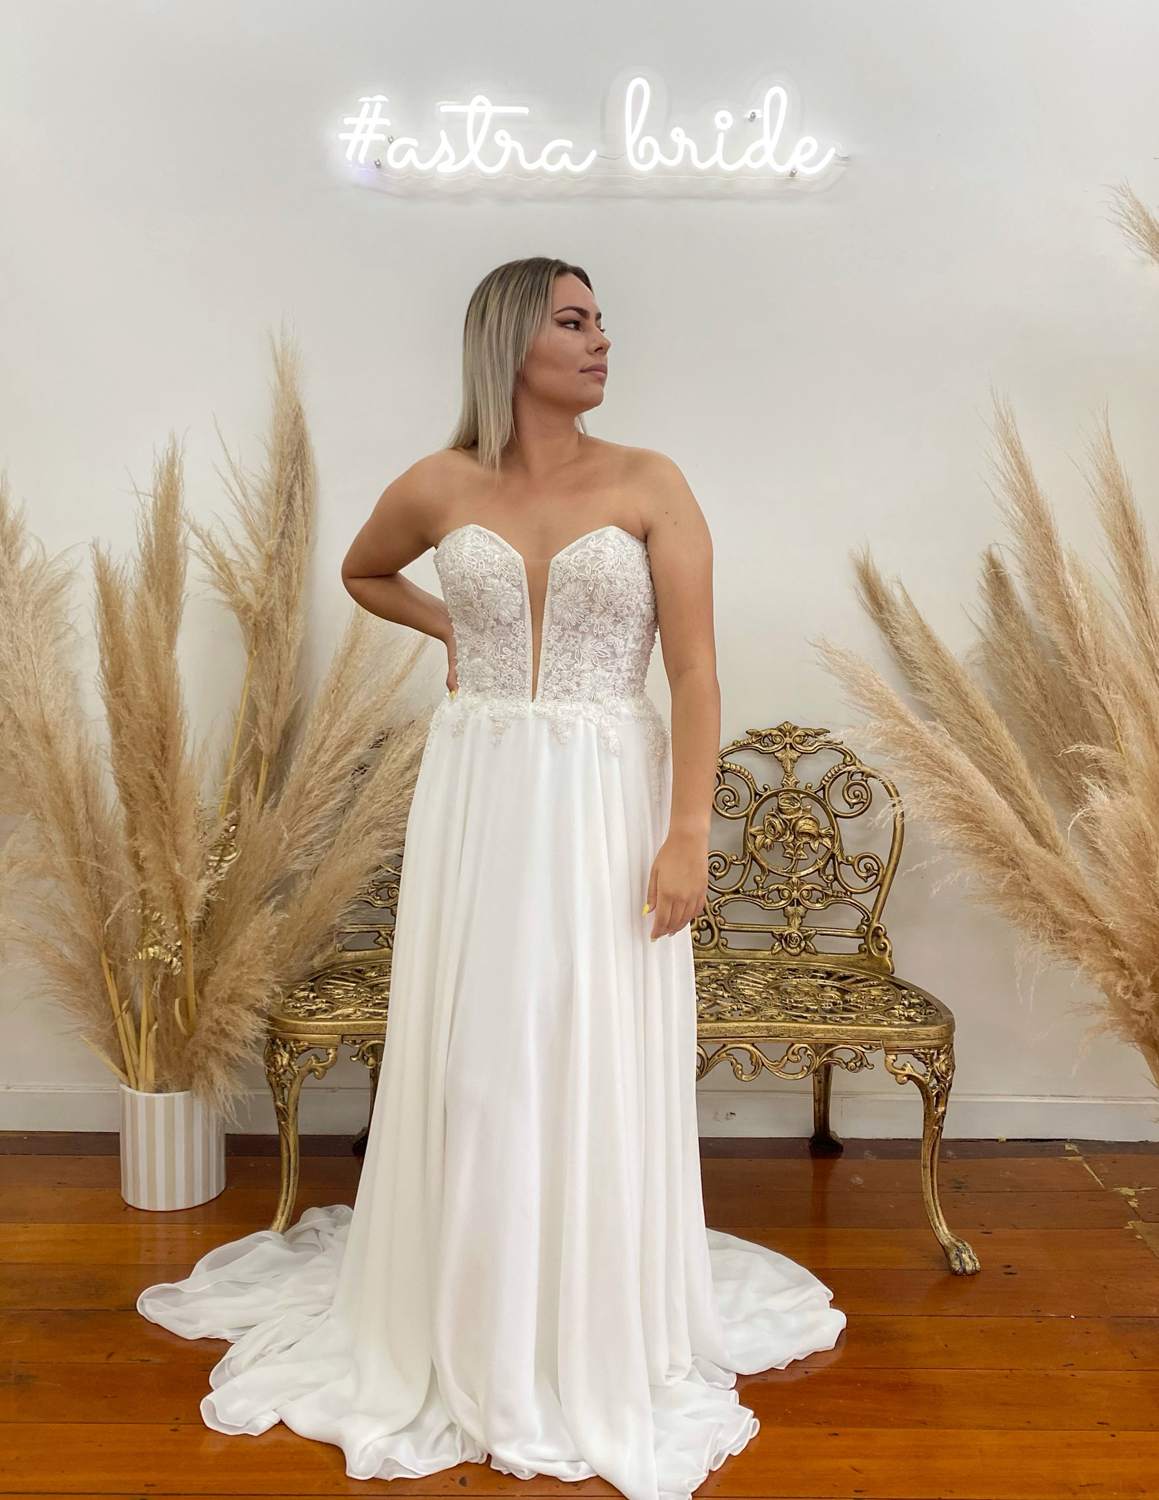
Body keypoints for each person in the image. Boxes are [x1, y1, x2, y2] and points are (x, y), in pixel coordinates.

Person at [137, 257, 845, 1500]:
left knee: (585, 1033)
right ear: (512, 341)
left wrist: (688, 832)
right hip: (480, 791)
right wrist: (451, 629)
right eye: (574, 320)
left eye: (600, 320)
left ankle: (583, 1310)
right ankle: (467, 1308)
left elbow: (692, 672)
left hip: (603, 793)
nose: (601, 338)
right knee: (479, 1048)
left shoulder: (650, 481)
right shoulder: (438, 483)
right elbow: (364, 571)